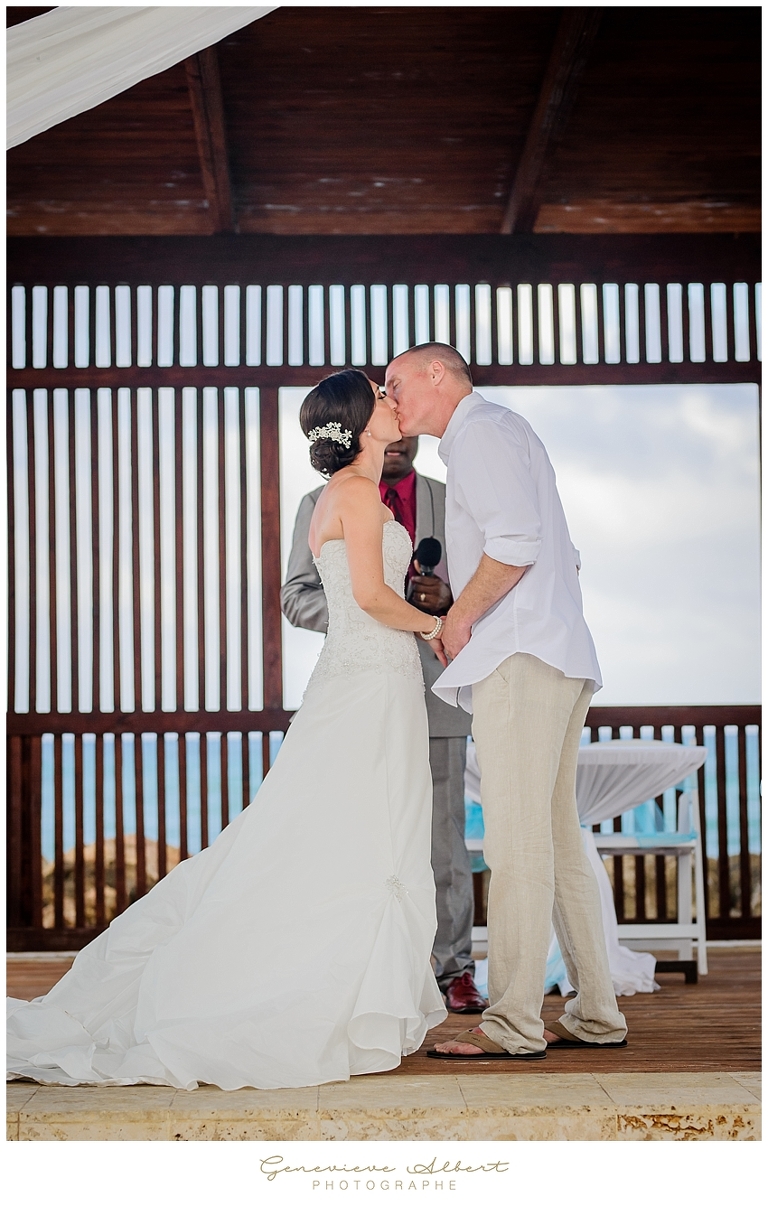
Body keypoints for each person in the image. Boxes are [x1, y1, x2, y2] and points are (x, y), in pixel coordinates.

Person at [7, 370, 449, 1091]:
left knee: (347, 832)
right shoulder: (355, 494)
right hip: (368, 684)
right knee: (345, 832)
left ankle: (339, 993)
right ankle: (296, 996)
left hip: (371, 681)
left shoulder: (345, 494)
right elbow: (370, 597)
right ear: (359, 420)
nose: (392, 400)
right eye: (380, 393)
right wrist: (435, 627)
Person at [385, 343, 628, 1060]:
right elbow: (559, 552)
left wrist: (459, 619)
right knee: (556, 839)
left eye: (395, 383)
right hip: (555, 650)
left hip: (522, 657)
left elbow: (518, 542)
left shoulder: (480, 434)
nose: (390, 399)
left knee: (517, 843)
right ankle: (595, 1014)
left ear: (437, 374)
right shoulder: (503, 430)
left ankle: (513, 1022)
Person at [282, 435, 486, 1014]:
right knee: (351, 830)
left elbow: (484, 585)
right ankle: (362, 966)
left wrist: (448, 599)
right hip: (364, 687)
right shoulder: (318, 501)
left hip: (436, 693)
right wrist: (368, 611)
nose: (395, 439)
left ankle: (455, 970)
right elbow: (296, 597)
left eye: (402, 427)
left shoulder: (450, 500)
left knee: (443, 840)